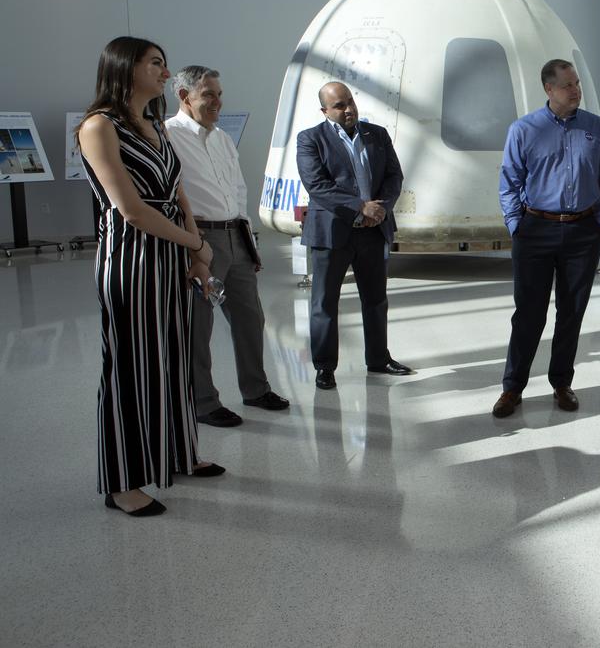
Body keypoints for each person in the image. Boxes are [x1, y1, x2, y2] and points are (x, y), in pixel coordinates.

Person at [77, 37, 225, 517]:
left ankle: (178, 454)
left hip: (172, 256)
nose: (165, 72)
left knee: (172, 360)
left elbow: (176, 193)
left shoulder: (155, 126)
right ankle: (121, 483)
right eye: (156, 64)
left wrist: (196, 251)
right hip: (132, 258)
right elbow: (133, 210)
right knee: (131, 367)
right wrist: (197, 245)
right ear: (126, 66)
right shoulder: (99, 127)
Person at [166, 65, 290, 426]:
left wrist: (249, 242)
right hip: (200, 238)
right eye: (209, 94)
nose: (218, 101)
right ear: (184, 97)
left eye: (219, 94)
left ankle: (255, 389)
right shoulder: (168, 135)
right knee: (198, 324)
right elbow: (175, 194)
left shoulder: (220, 137)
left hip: (235, 235)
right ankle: (203, 402)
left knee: (251, 317)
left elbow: (238, 190)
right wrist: (193, 246)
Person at [493, 59, 600, 418]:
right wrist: (517, 225)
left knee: (571, 312)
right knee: (529, 314)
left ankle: (562, 382)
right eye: (567, 85)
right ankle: (512, 388)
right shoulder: (524, 130)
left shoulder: (597, 128)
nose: (575, 90)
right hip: (536, 230)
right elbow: (509, 182)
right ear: (548, 89)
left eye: (576, 83)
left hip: (583, 231)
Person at [296, 81, 412, 390]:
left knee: (375, 300)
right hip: (332, 234)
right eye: (339, 105)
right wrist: (360, 207)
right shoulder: (310, 139)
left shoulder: (377, 134)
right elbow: (317, 186)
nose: (348, 109)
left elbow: (393, 176)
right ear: (325, 110)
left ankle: (378, 359)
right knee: (324, 303)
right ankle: (324, 367)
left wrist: (381, 208)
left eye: (350, 101)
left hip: (373, 232)